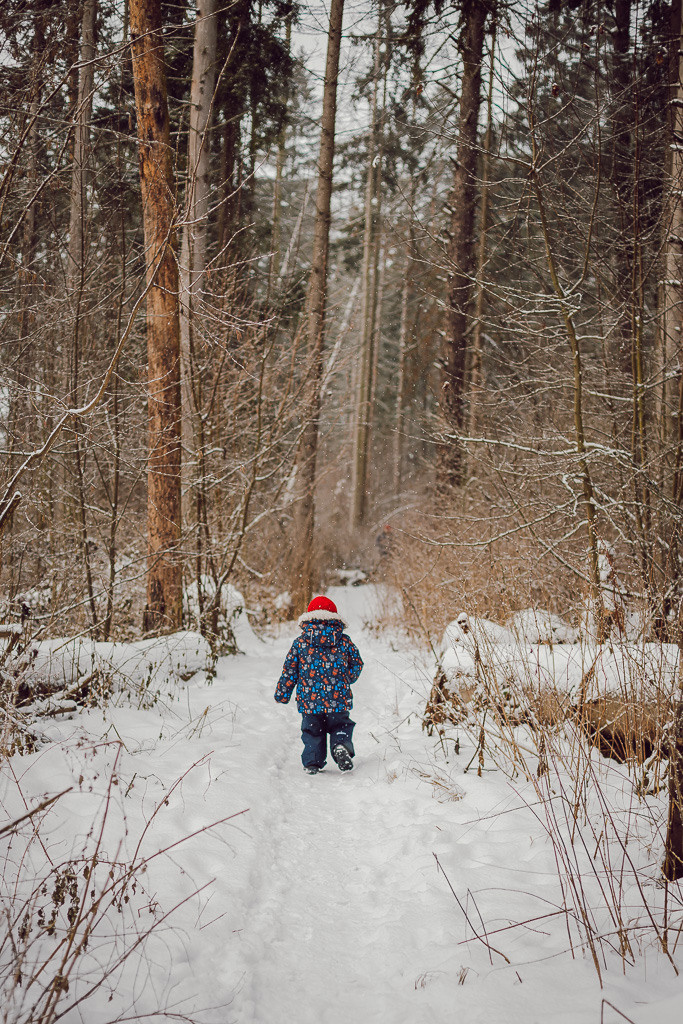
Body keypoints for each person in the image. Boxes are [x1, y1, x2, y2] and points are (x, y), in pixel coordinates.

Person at [274, 595, 364, 774]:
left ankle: (312, 762)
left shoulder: (300, 643)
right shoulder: (344, 641)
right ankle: (341, 746)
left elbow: (290, 670)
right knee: (340, 726)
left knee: (312, 731)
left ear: (308, 618)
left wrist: (282, 694)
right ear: (335, 618)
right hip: (338, 698)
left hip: (310, 701)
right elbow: (357, 663)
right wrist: (347, 678)